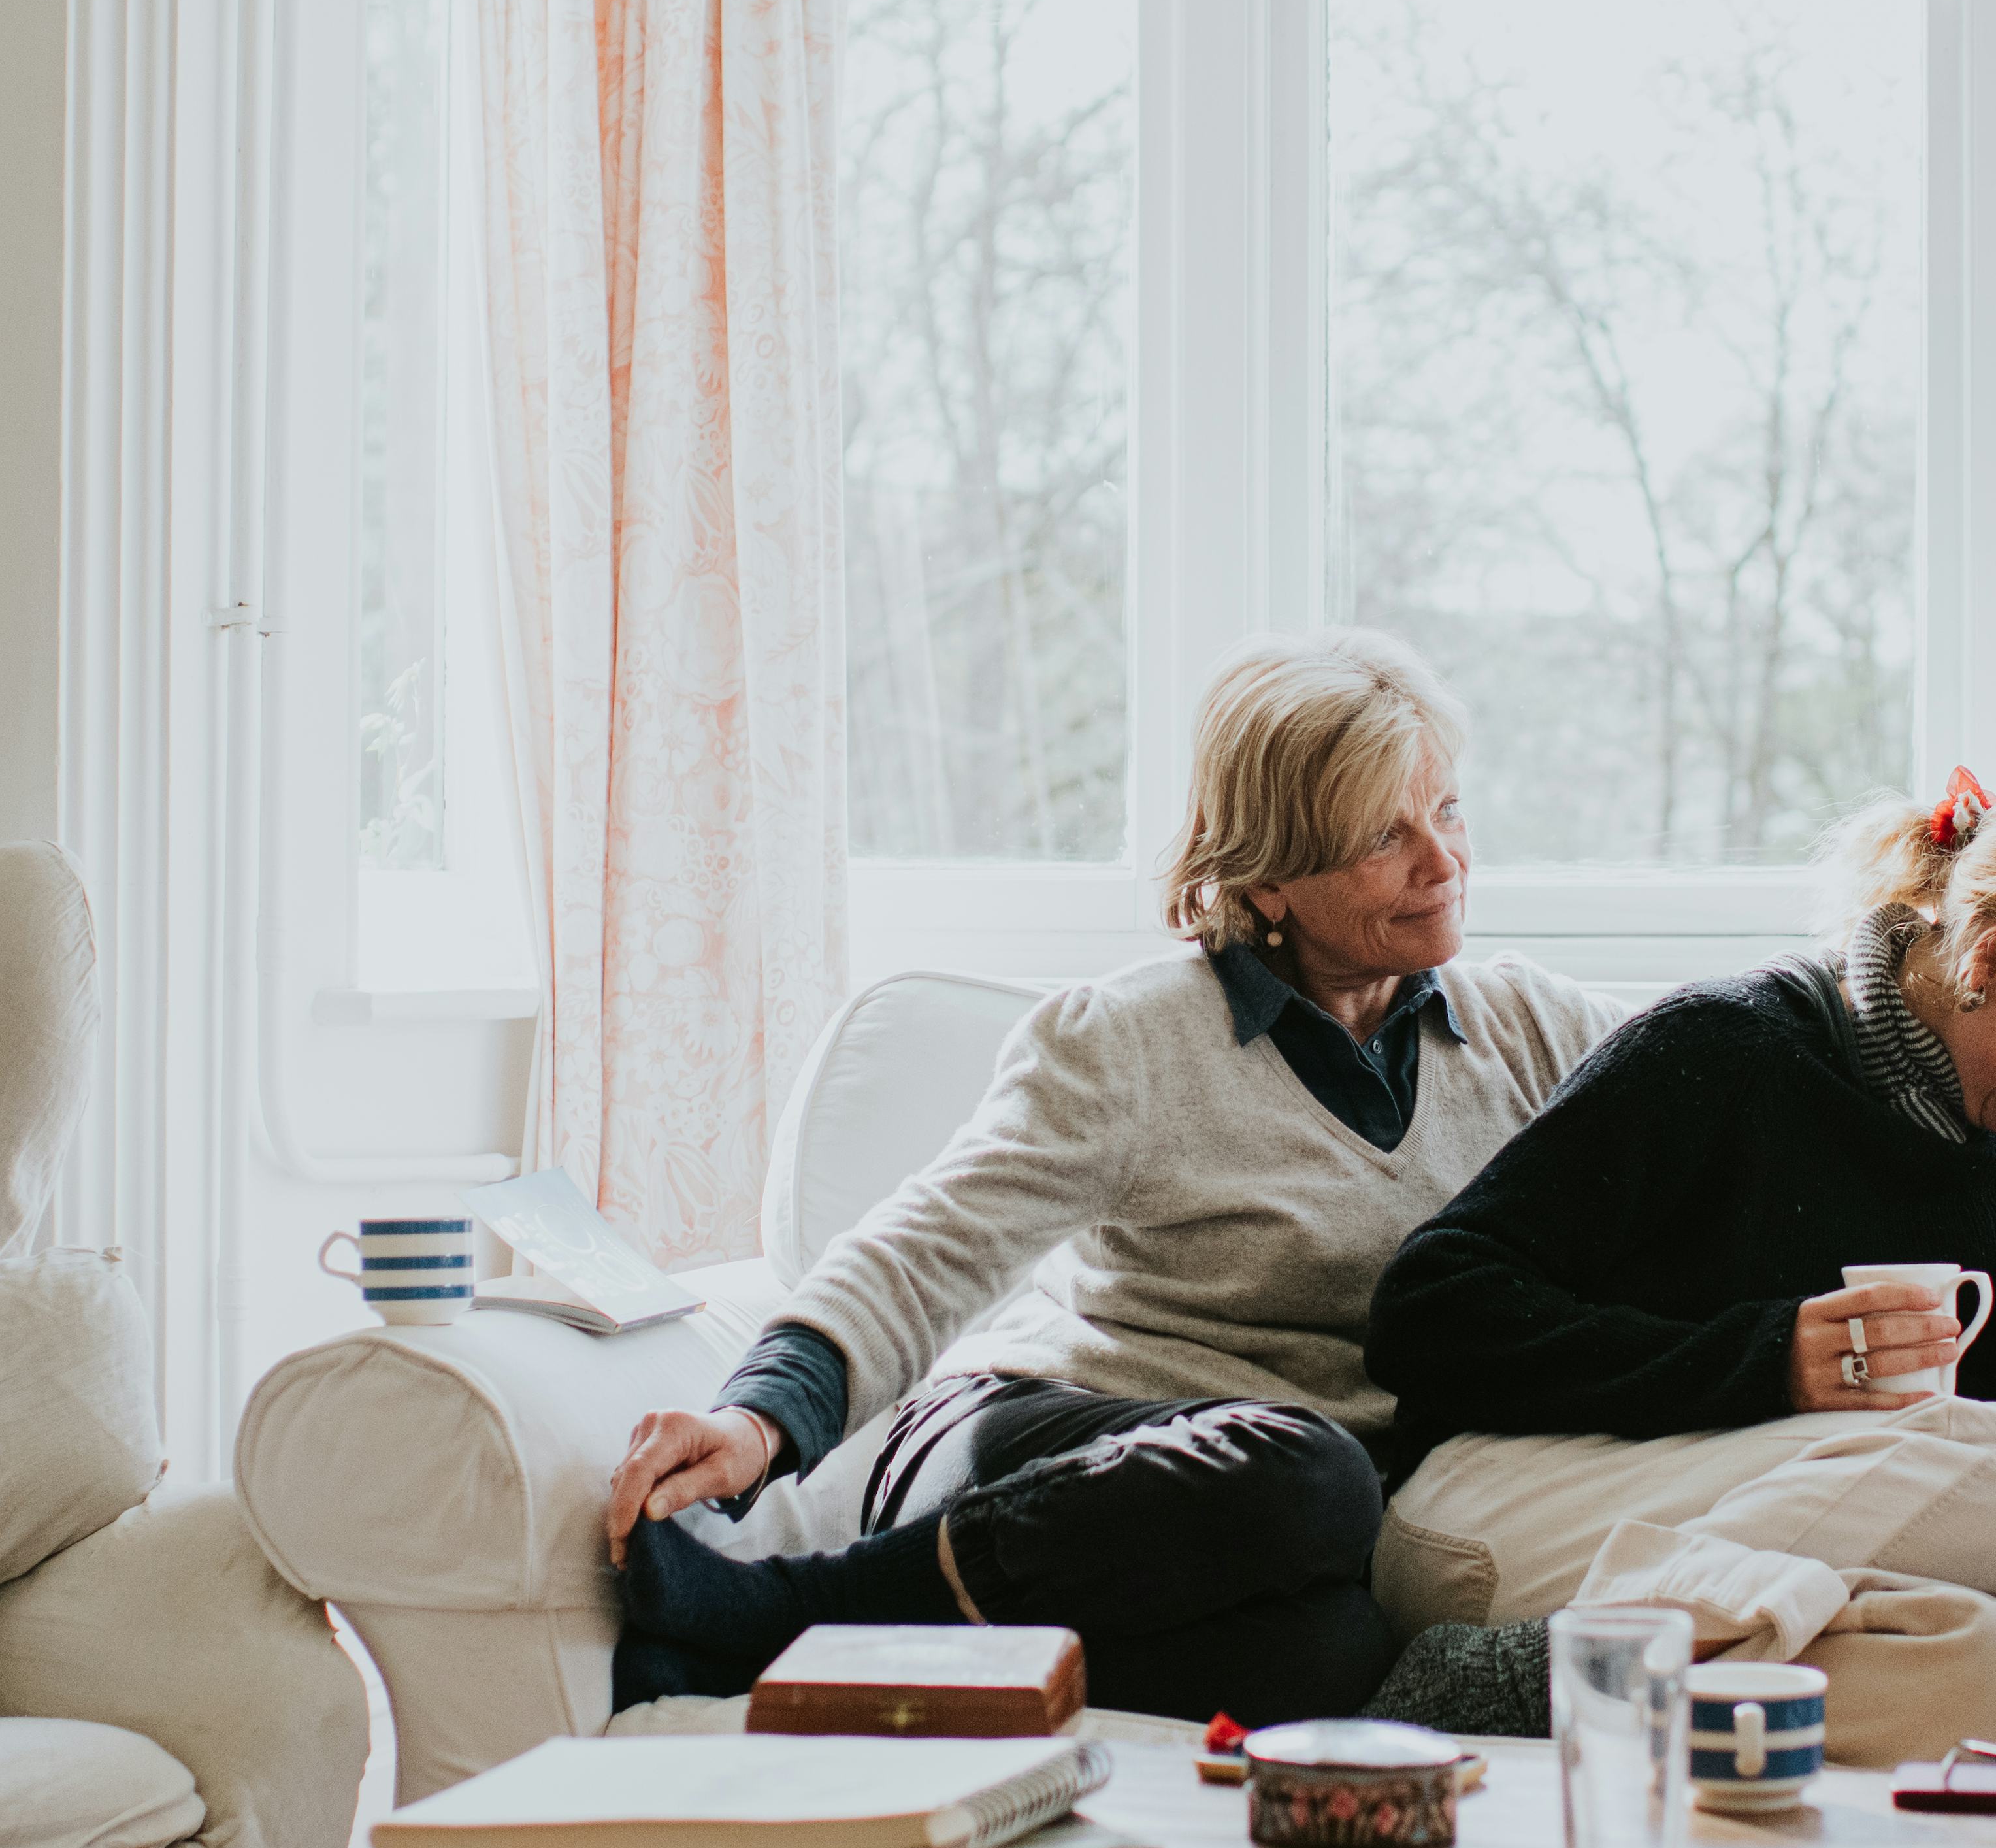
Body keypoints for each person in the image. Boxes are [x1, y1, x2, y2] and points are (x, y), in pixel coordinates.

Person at [596, 632, 1619, 1724]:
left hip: (1253, 1539)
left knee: (1336, 1650)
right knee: (1316, 1473)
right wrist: (761, 1419)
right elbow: (926, 1249)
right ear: (1268, 872)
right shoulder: (1130, 1039)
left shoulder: (1533, 1030)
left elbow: (1727, 1095)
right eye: (1385, 834)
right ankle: (791, 1610)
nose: (1445, 860)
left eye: (1450, 811)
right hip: (1047, 1447)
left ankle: (861, 1662)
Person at [1360, 775, 1996, 1726]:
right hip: (1505, 1511)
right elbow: (1426, 1315)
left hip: (1759, 1546)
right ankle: (1552, 1661)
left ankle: (1533, 1688)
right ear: (1991, 957)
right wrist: (1773, 1359)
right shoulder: (1726, 1047)